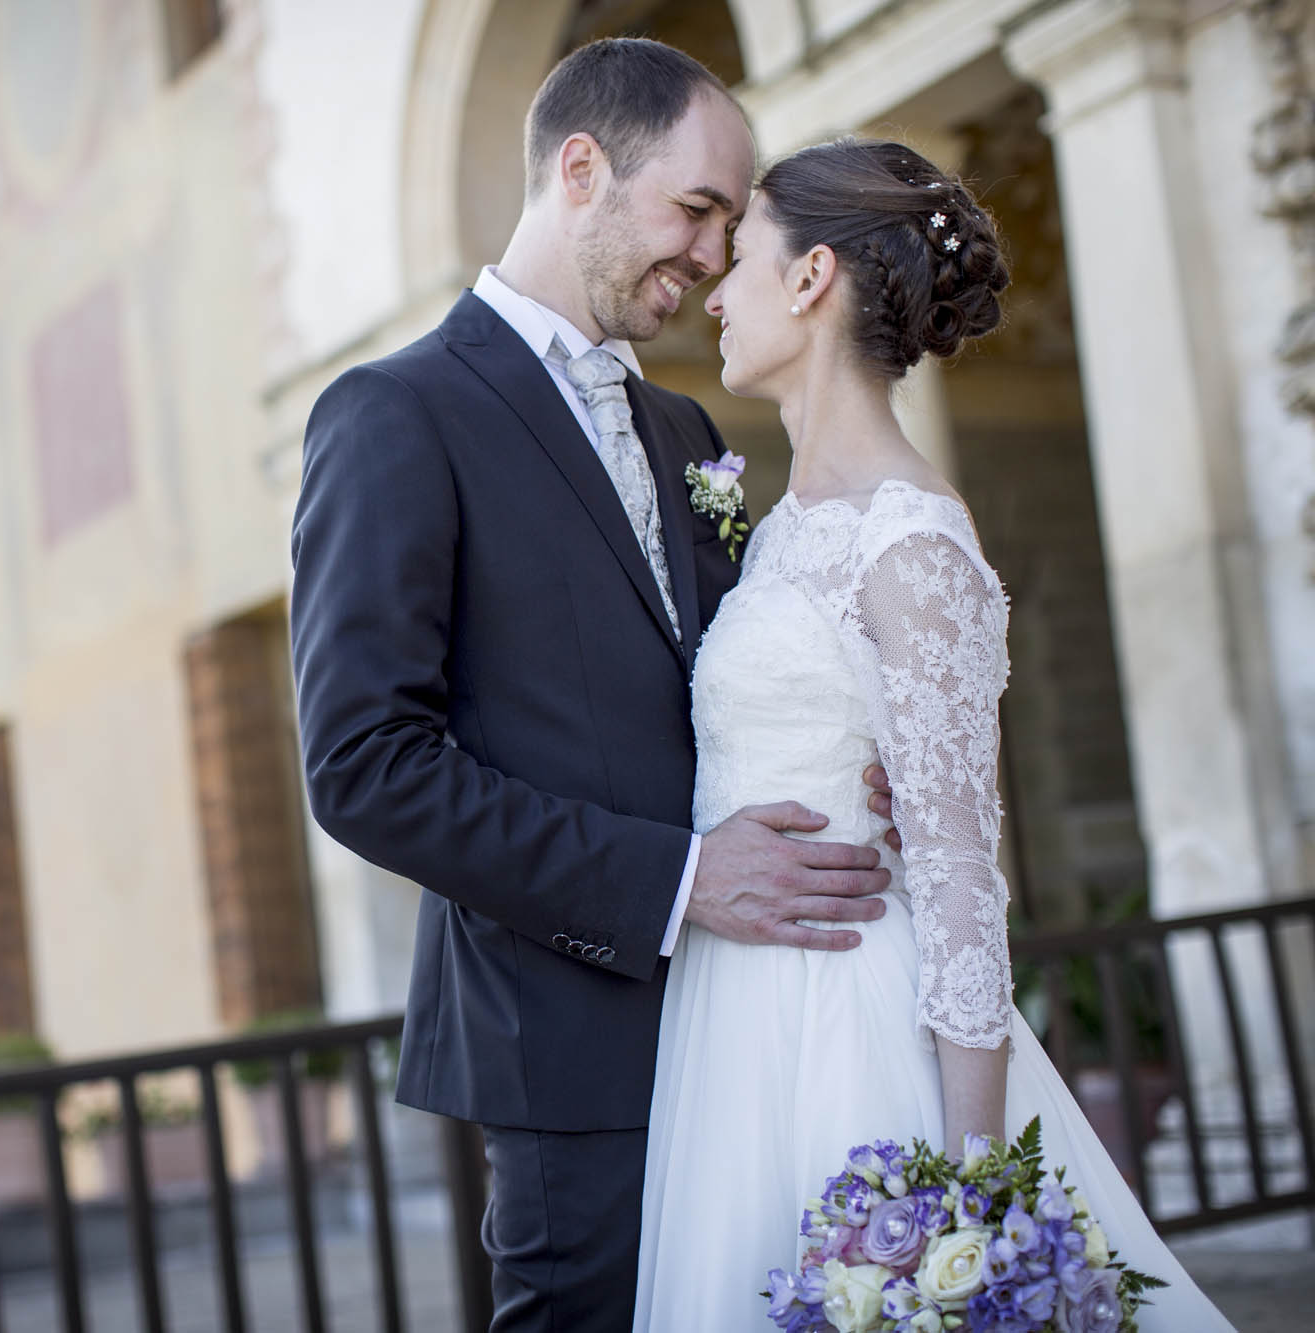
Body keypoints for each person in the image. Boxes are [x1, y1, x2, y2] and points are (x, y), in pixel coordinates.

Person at [289, 39, 899, 1331]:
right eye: (697, 209)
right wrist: (676, 883)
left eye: (733, 224)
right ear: (581, 169)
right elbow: (364, 768)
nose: (715, 253)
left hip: (766, 1017)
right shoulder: (393, 415)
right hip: (567, 1049)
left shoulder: (685, 430)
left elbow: (730, 680)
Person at [631, 136, 1236, 1330]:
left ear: (810, 280)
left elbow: (961, 879)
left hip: (846, 1015)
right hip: (730, 1020)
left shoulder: (910, 543)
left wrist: (970, 1190)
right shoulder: (782, 529)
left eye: (739, 253)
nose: (714, 287)